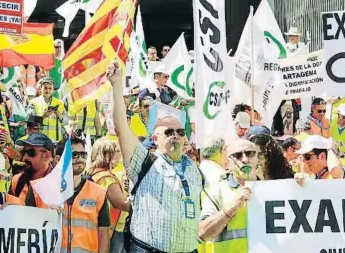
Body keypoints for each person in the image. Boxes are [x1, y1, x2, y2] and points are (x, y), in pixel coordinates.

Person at [107, 62, 203, 253]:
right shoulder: (144, 161)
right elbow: (121, 128)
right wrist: (117, 85)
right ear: (155, 138)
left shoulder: (194, 168)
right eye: (169, 132)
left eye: (180, 132)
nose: (176, 135)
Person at [26, 136, 111, 253]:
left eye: (83, 154)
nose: (80, 158)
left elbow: (103, 234)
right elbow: (26, 227)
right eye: (74, 155)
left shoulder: (98, 193)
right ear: (57, 159)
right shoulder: (38, 189)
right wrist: (44, 215)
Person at [199, 140, 261, 252]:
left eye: (250, 153)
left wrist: (301, 187)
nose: (245, 160)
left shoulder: (271, 188)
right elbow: (203, 233)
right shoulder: (215, 192)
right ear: (227, 163)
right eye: (237, 156)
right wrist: (233, 206)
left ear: (258, 158)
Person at [88, 137, 130, 252]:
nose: (119, 155)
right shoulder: (106, 178)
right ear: (108, 154)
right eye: (117, 151)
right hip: (112, 232)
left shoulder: (95, 174)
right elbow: (123, 204)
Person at [10, 133, 54, 202]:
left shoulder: (60, 184)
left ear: (46, 156)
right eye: (23, 152)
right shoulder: (17, 181)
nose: (24, 158)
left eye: (31, 152)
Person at [28, 77, 65, 142]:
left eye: (50, 88)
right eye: (45, 88)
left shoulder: (60, 103)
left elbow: (67, 122)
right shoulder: (33, 102)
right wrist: (43, 116)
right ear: (40, 88)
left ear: (53, 89)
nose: (47, 91)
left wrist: (60, 116)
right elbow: (29, 121)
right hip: (39, 141)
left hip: (56, 141)